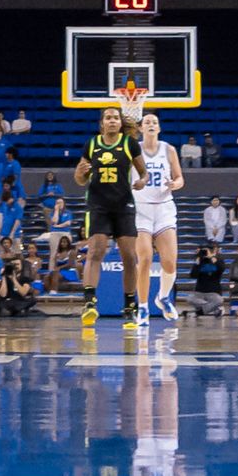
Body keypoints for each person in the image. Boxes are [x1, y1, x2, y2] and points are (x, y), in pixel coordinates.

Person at [74, 105, 147, 331]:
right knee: (95, 251)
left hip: (123, 205)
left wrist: (143, 180)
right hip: (98, 205)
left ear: (120, 121)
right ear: (102, 123)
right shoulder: (92, 144)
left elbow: (143, 172)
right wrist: (81, 173)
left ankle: (129, 305)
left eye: (116, 117)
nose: (112, 121)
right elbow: (79, 179)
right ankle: (89, 302)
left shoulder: (129, 143)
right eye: (108, 118)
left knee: (128, 256)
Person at [133, 112, 184, 323]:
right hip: (140, 208)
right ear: (141, 128)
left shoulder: (169, 149)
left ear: (159, 128)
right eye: (147, 122)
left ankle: (163, 297)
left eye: (155, 122)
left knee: (170, 261)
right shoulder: (133, 150)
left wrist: (175, 184)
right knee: (144, 258)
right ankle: (143, 306)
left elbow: (180, 178)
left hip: (164, 208)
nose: (151, 124)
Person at [189, 245, 226, 315]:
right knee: (190, 299)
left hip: (214, 292)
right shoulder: (199, 261)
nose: (205, 253)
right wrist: (196, 264)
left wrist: (212, 258)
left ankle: (201, 311)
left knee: (219, 300)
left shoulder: (218, 260)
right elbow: (193, 275)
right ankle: (213, 308)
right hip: (199, 292)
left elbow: (222, 269)